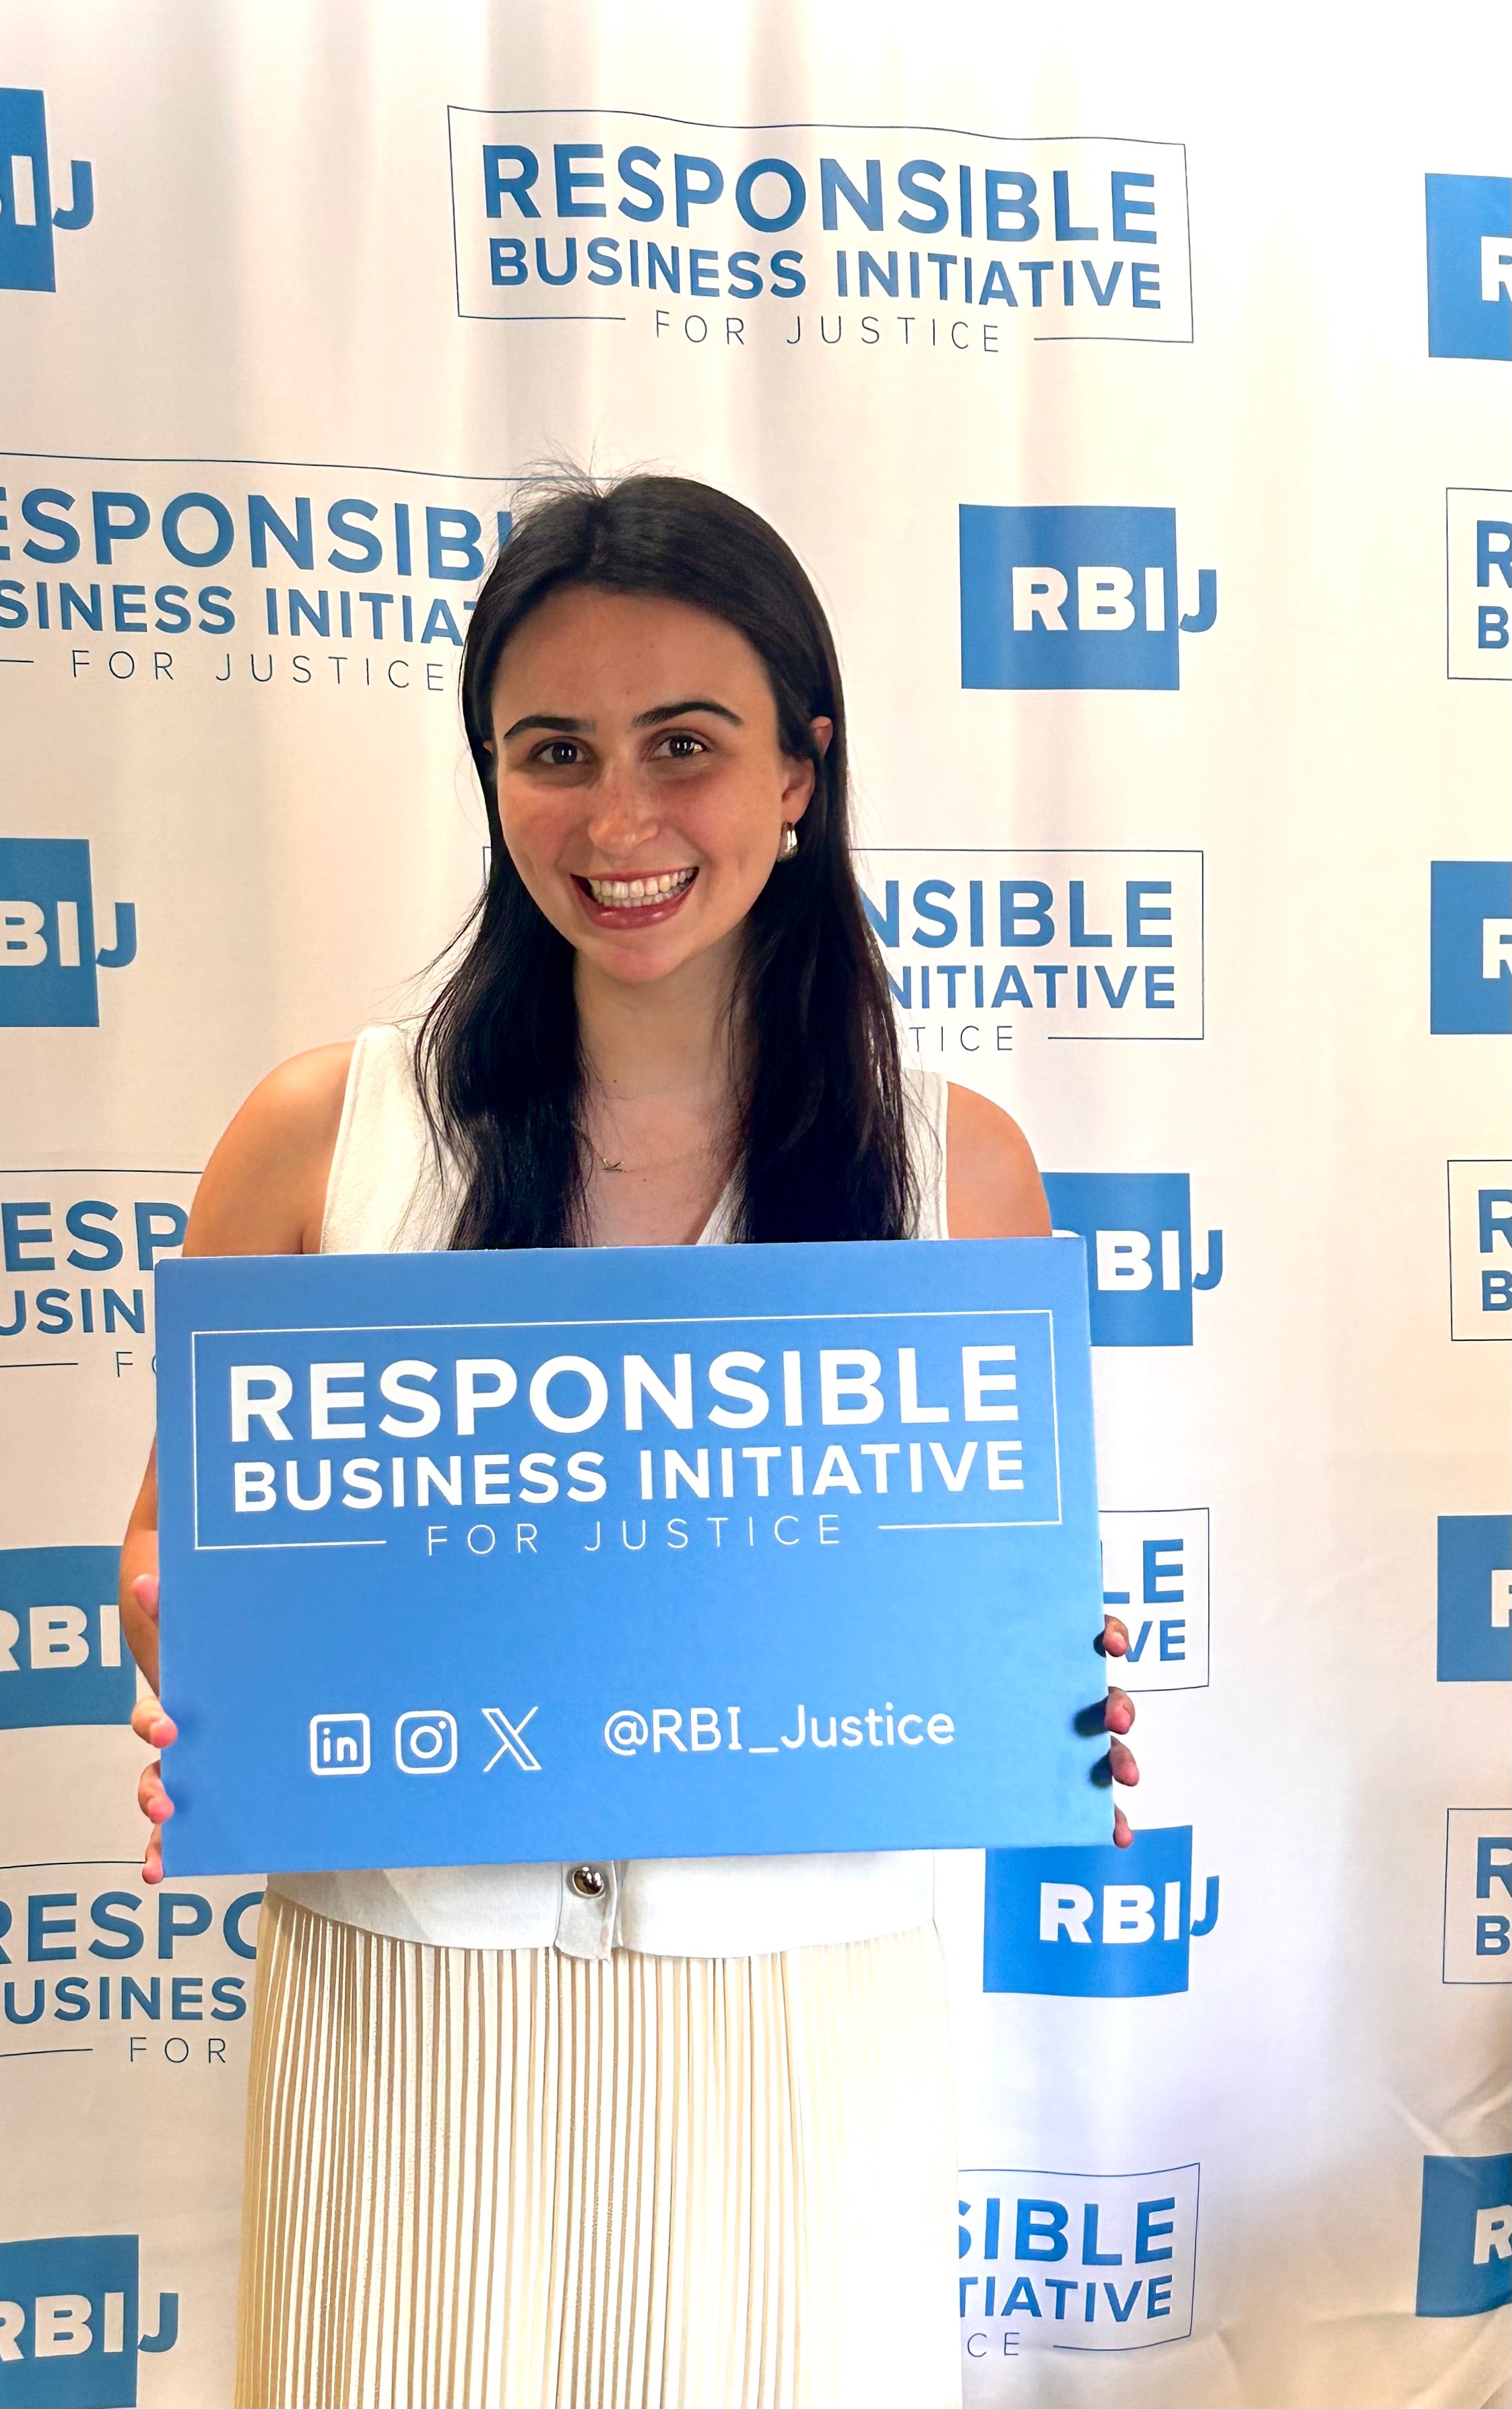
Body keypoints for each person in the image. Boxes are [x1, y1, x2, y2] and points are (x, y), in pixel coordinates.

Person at [119, 473, 1140, 2409]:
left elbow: (993, 1600)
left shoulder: (957, 1164)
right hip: (416, 2007)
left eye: (688, 745)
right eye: (553, 751)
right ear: (493, 781)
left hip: (795, 2019)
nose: (620, 819)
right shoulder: (313, 1139)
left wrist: (1058, 1687)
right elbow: (162, 1560)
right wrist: (200, 1636)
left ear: (797, 776)